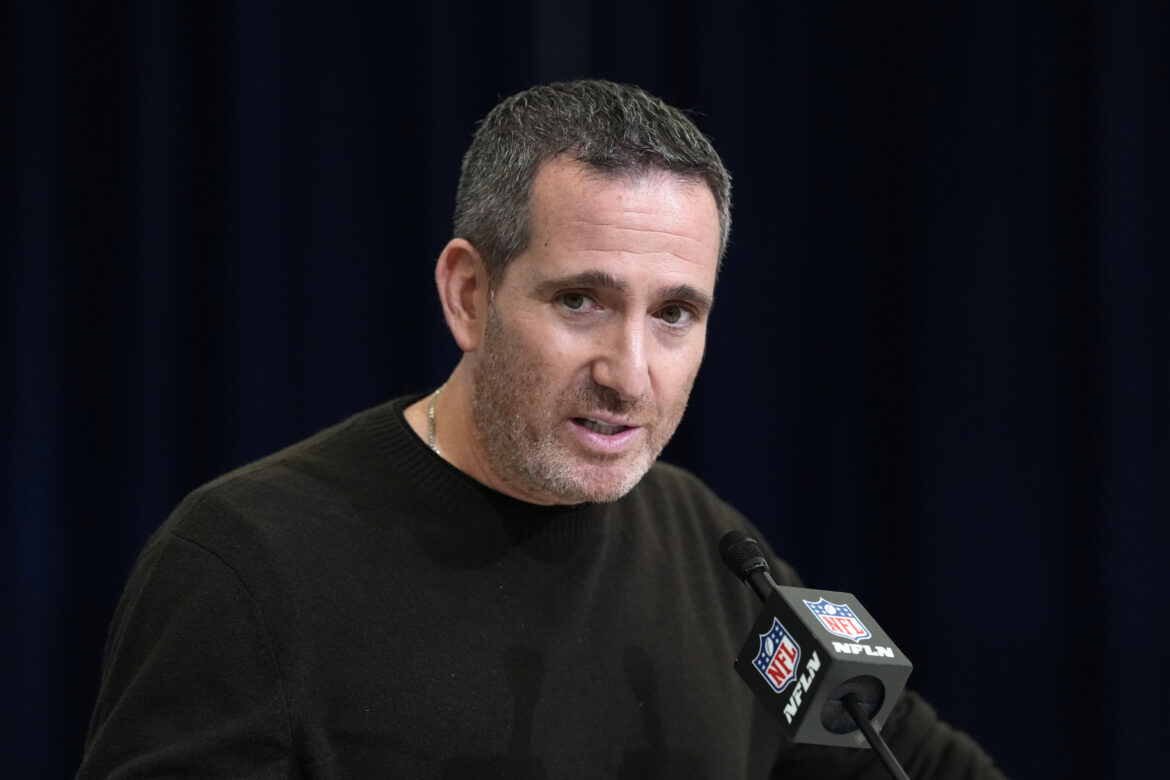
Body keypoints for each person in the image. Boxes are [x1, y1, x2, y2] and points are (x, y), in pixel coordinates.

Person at [78, 80, 1005, 778]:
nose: (629, 374)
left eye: (674, 314)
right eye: (580, 300)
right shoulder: (248, 562)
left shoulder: (714, 551)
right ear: (468, 294)